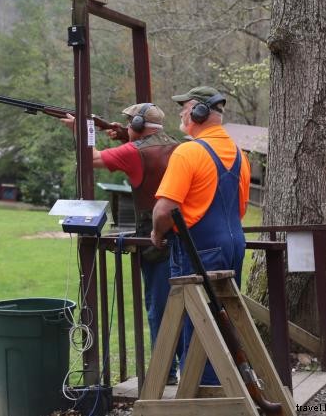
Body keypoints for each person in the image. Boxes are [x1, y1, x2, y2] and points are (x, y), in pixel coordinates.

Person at [62, 102, 183, 385]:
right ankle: (179, 365)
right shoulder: (179, 146)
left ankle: (164, 371)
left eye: (129, 124)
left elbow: (90, 159)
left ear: (138, 126)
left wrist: (81, 131)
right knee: (182, 302)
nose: (126, 127)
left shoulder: (133, 151)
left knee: (158, 305)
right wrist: (122, 135)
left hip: (155, 237)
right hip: (185, 234)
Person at [150, 86, 250, 386]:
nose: (182, 113)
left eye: (186, 107)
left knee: (198, 322)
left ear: (199, 113)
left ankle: (204, 391)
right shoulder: (240, 155)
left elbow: (164, 209)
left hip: (198, 248)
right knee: (224, 318)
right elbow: (241, 208)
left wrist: (157, 233)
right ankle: (226, 383)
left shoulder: (189, 151)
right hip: (233, 244)